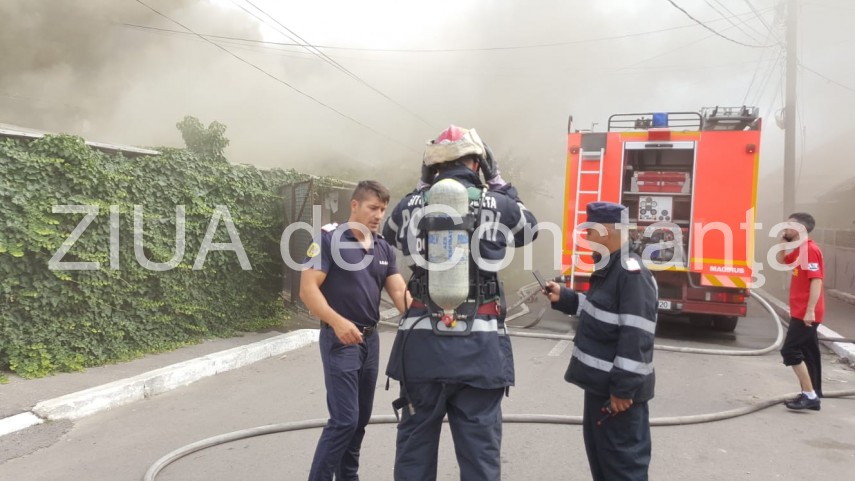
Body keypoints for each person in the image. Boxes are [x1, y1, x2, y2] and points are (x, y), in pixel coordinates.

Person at [382, 125, 538, 480]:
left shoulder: (411, 205)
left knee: (413, 453)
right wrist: (498, 181)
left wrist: (421, 188)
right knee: (479, 459)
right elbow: (529, 229)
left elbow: (390, 232)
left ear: (431, 165)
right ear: (478, 160)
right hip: (479, 354)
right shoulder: (498, 203)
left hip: (420, 351)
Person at [300, 180, 410, 481]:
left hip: (369, 341)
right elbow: (308, 290)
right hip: (340, 340)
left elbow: (400, 293)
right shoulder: (328, 240)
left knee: (359, 420)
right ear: (355, 205)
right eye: (373, 208)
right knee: (344, 421)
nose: (378, 215)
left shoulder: (382, 247)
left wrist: (427, 319)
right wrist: (337, 322)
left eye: (383, 210)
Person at [543, 201, 658, 481]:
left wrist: (623, 389)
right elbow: (603, 313)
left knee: (622, 470)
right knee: (604, 467)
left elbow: (636, 334)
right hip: (601, 389)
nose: (587, 239)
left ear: (607, 232)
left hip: (617, 398)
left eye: (591, 233)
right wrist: (566, 298)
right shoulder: (611, 268)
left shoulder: (631, 274)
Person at [776, 212, 825, 411]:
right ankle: (814, 393)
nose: (785, 227)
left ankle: (809, 395)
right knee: (809, 353)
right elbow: (782, 261)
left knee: (790, 351)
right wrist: (782, 242)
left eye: (789, 225)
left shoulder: (810, 250)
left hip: (806, 312)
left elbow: (817, 280)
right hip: (800, 310)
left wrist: (810, 311)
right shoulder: (799, 249)